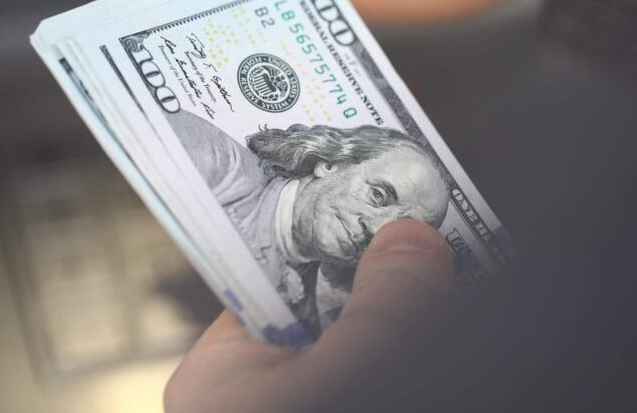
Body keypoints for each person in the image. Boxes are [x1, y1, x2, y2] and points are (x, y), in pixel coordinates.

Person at [165, 0, 637, 412]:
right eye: (380, 195)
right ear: (325, 162)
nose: (379, 235)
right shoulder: (215, 161)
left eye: (406, 220)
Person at [169, 110, 449, 333]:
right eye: (378, 195)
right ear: (328, 163)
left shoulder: (303, 323)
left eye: (398, 230)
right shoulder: (208, 155)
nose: (377, 229)